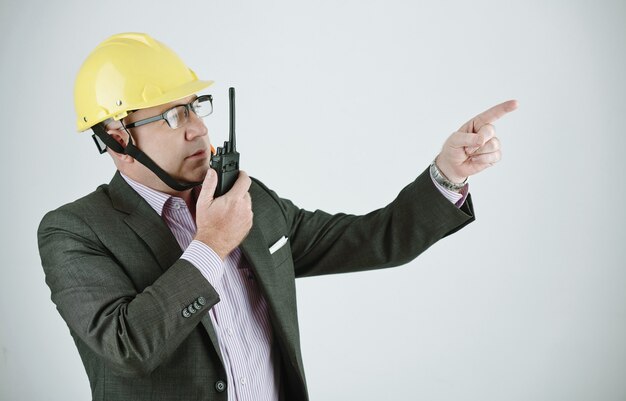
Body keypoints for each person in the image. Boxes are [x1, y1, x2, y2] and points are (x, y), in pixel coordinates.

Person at [38, 32, 517, 401]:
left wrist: (447, 176)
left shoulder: (248, 200)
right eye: (171, 117)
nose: (198, 129)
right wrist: (210, 247)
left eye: (194, 108)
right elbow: (126, 346)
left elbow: (373, 239)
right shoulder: (75, 231)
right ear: (118, 138)